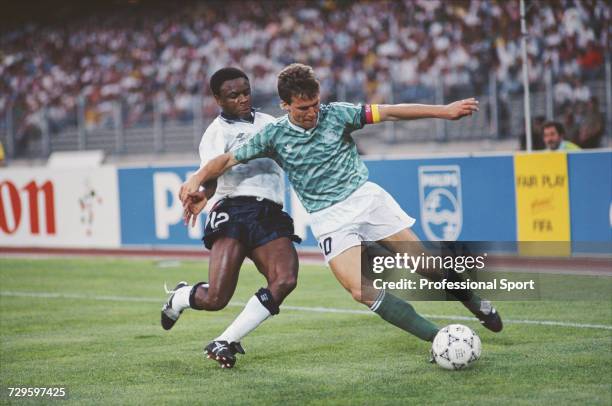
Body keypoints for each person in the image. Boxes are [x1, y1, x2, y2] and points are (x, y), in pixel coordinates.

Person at [180, 63, 502, 356]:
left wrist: (443, 111)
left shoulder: (338, 113)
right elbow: (225, 160)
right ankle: (440, 341)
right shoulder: (273, 135)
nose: (312, 112)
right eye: (303, 108)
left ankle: (475, 302)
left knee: (425, 267)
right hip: (328, 220)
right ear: (285, 105)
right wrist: (196, 179)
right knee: (360, 290)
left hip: (365, 200)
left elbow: (390, 112)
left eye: (315, 104)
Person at [162, 67, 301, 368]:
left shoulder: (269, 123)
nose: (242, 99)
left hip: (269, 212)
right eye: (233, 95)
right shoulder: (216, 132)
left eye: (246, 92)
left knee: (285, 279)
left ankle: (225, 340)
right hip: (234, 210)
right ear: (217, 99)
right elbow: (214, 168)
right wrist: (205, 191)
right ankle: (180, 297)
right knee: (216, 298)